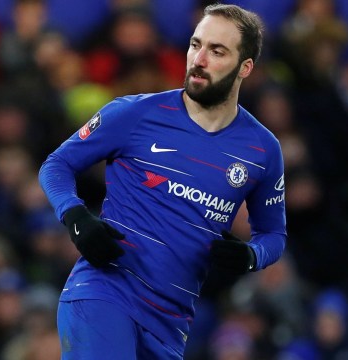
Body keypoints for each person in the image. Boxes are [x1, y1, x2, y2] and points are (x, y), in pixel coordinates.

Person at [38, 4, 287, 359]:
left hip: (171, 324)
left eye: (217, 51)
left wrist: (251, 256)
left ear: (245, 66)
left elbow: (273, 235)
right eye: (195, 44)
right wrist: (76, 217)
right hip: (103, 295)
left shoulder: (262, 150)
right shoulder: (134, 113)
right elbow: (57, 163)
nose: (199, 59)